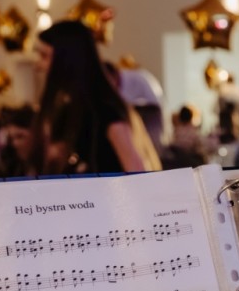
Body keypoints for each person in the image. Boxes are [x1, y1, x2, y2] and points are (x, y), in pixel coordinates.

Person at [33, 20, 161, 175]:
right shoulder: (73, 108)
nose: (39, 65)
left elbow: (136, 170)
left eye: (45, 56)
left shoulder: (105, 110)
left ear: (67, 59)